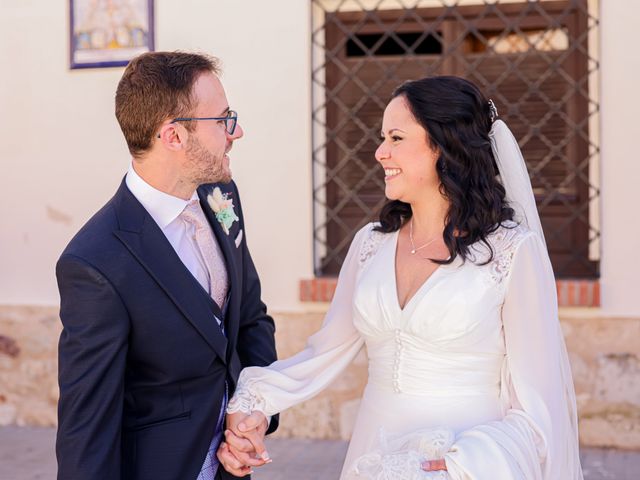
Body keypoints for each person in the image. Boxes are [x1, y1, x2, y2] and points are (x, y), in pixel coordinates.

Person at [222, 76, 583, 479]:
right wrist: (254, 401)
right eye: (382, 138)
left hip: (463, 462)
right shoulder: (370, 244)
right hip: (370, 456)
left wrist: (461, 463)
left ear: (446, 146)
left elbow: (539, 406)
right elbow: (324, 353)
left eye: (396, 138)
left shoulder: (512, 250)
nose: (379, 152)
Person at [55, 51, 278, 480]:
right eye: (223, 120)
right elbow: (88, 426)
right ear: (174, 136)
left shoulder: (222, 197)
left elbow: (250, 320)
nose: (237, 132)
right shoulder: (96, 261)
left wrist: (254, 411)